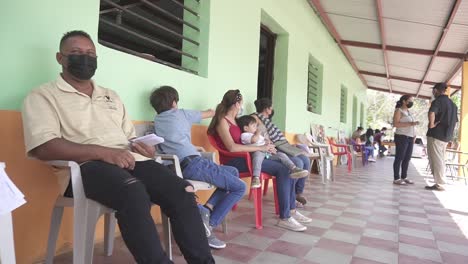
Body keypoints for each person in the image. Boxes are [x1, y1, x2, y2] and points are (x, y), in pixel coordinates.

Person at [21, 30, 214, 264]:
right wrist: (104, 153)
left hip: (128, 160)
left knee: (182, 191)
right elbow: (44, 147)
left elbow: (129, 138)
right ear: (60, 58)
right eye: (76, 52)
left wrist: (144, 148)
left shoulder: (110, 95)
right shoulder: (43, 96)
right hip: (84, 168)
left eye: (90, 53)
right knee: (133, 193)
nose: (85, 57)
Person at [150, 86, 246, 249]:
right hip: (195, 163)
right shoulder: (182, 114)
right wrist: (219, 107)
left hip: (181, 166)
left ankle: (206, 209)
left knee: (233, 172)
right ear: (174, 103)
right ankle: (208, 226)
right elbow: (210, 113)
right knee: (240, 187)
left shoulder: (157, 120)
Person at [208, 90, 312, 232]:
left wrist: (265, 146)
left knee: (289, 165)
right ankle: (285, 217)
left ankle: (291, 211)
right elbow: (231, 148)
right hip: (236, 161)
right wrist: (260, 147)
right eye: (241, 103)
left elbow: (249, 138)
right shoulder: (223, 121)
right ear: (237, 104)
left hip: (250, 156)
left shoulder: (237, 121)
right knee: (283, 169)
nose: (241, 106)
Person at [252, 98, 311, 207]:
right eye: (271, 107)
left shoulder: (267, 120)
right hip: (272, 148)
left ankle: (297, 193)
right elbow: (253, 135)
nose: (272, 109)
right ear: (267, 109)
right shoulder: (254, 118)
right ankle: (291, 199)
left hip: (280, 145)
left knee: (306, 160)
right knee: (298, 162)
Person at [237, 115, 309, 188]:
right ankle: (256, 178)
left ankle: (293, 168)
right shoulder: (245, 135)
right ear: (246, 128)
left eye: (256, 126)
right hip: (257, 151)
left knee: (281, 155)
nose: (256, 128)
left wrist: (268, 142)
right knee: (257, 158)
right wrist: (258, 133)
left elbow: (263, 140)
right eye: (254, 126)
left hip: (267, 152)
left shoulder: (255, 134)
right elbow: (254, 140)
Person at [425, 83, 458, 191]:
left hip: (436, 135)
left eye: (433, 90)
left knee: (436, 159)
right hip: (446, 136)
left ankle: (440, 183)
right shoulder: (453, 104)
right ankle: (439, 182)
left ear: (436, 90)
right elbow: (454, 122)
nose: (433, 92)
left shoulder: (438, 101)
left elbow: (432, 113)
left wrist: (431, 124)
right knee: (440, 159)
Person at [392, 95, 419, 185]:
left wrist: (414, 135)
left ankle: (404, 177)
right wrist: (411, 123)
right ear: (404, 101)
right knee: (399, 157)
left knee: (407, 158)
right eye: (410, 100)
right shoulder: (399, 110)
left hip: (410, 137)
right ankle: (396, 178)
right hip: (401, 137)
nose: (411, 102)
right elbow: (396, 124)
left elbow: (412, 126)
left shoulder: (408, 112)